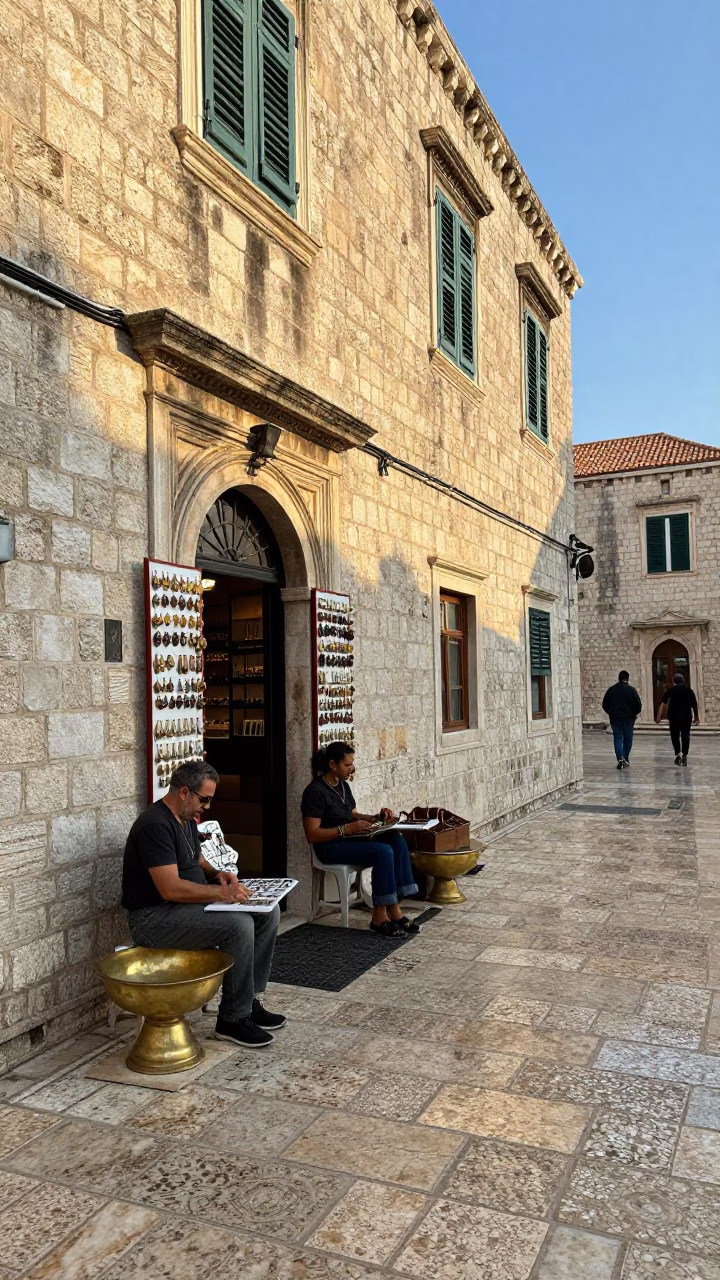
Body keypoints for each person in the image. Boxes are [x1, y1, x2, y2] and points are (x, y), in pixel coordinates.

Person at [122, 760, 285, 1048]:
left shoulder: (185, 818)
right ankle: (232, 1019)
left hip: (183, 909)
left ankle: (248, 1000)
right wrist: (220, 894)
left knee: (267, 912)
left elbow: (195, 859)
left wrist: (217, 873)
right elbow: (170, 888)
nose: (206, 807)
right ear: (185, 792)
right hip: (153, 918)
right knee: (238, 925)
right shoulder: (154, 825)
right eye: (204, 799)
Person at [301, 741, 420, 937]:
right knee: (383, 852)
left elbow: (353, 814)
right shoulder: (315, 791)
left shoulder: (343, 786)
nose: (352, 768)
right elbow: (312, 834)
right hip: (330, 846)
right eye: (347, 764)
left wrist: (375, 818)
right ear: (332, 764)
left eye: (352, 763)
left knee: (396, 840)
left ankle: (394, 907)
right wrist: (346, 829)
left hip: (349, 839)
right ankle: (379, 916)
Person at [601, 670, 642, 769]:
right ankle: (625, 758)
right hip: (629, 718)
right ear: (627, 678)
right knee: (628, 738)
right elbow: (638, 705)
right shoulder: (632, 690)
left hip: (615, 718)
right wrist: (634, 713)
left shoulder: (611, 690)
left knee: (617, 737)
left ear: (619, 678)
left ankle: (620, 759)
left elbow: (605, 704)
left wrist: (610, 712)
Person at [656, 672, 699, 765]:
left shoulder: (670, 691)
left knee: (675, 736)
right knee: (685, 735)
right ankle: (685, 754)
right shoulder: (689, 691)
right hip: (686, 717)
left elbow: (663, 704)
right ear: (683, 680)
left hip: (673, 717)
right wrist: (696, 717)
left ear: (673, 681)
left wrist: (659, 716)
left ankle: (678, 754)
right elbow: (695, 705)